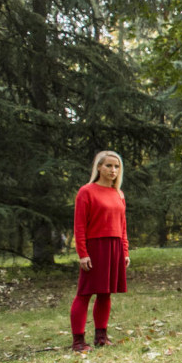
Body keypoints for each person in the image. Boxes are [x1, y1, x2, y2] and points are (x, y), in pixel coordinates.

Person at [70, 151, 130, 352]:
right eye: (108, 166)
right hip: (95, 247)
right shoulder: (86, 191)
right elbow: (79, 226)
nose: (113, 170)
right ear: (98, 167)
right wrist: (83, 253)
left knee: (105, 294)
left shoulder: (119, 193)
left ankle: (101, 337)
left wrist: (125, 251)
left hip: (114, 247)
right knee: (85, 293)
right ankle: (78, 341)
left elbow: (122, 226)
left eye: (116, 167)